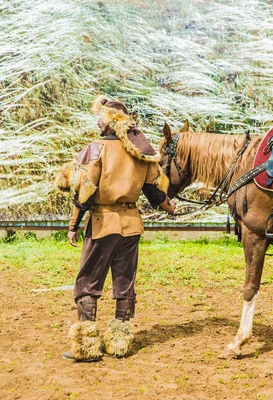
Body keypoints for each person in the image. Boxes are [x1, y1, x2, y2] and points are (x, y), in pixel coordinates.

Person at [55, 95, 176, 362]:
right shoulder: (140, 151)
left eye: (101, 116)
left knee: (88, 283)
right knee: (124, 284)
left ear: (111, 121)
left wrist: (74, 225)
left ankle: (87, 348)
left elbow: (85, 191)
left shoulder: (96, 149)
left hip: (103, 225)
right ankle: (119, 343)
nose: (97, 121)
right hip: (131, 226)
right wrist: (171, 207)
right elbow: (155, 192)